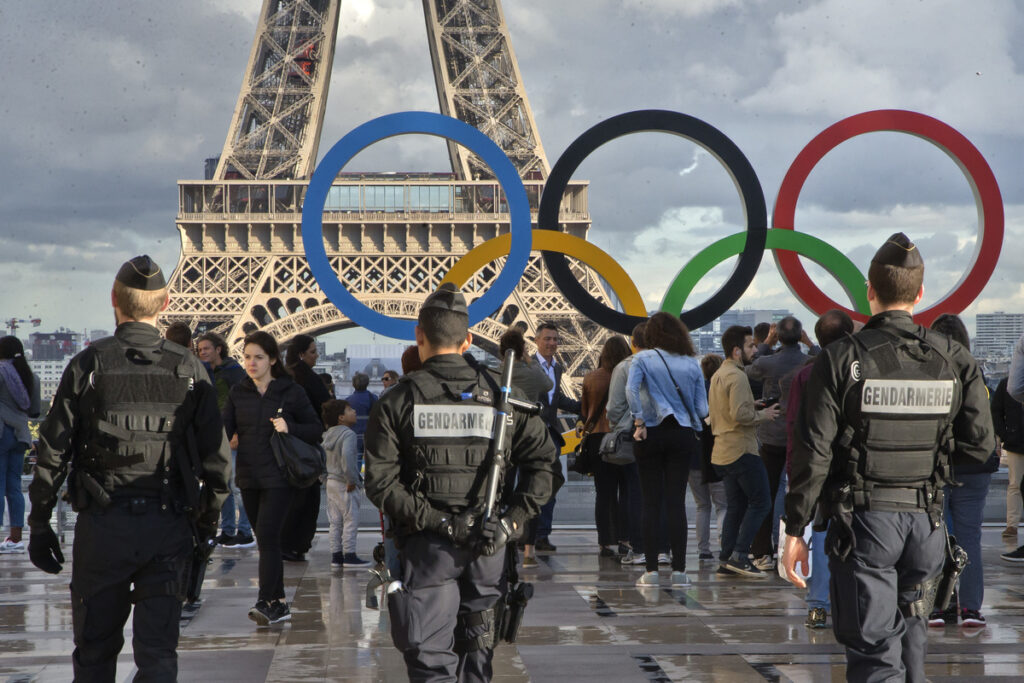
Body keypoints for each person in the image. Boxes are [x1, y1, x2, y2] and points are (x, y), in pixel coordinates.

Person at [782, 234, 995, 683]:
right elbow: (979, 444)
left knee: (875, 651)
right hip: (927, 522)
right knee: (913, 645)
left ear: (869, 290)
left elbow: (813, 450)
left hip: (865, 521)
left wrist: (797, 528)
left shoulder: (841, 358)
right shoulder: (953, 357)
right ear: (919, 294)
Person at [26, 255, 231, 681]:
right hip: (168, 525)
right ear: (166, 302)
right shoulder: (189, 368)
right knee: (158, 655)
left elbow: (53, 451)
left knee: (95, 652)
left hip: (103, 527)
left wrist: (41, 521)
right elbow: (217, 462)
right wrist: (205, 525)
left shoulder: (89, 364)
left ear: (113, 299)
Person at [364, 283, 559, 682]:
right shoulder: (504, 396)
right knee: (478, 663)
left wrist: (440, 523)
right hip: (489, 547)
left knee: (431, 663)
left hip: (428, 550)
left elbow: (381, 484)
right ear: (468, 339)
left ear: (419, 336)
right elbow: (546, 467)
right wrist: (510, 522)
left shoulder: (397, 400)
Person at [222, 330, 323, 626]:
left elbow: (316, 428)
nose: (251, 363)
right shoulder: (239, 392)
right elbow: (221, 430)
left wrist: (289, 426)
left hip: (280, 477)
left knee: (267, 535)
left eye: (258, 358)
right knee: (266, 540)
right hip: (249, 477)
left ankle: (265, 600)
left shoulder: (290, 391)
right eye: (247, 357)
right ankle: (279, 602)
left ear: (273, 359)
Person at [923, 313, 996, 629]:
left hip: (937, 464)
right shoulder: (976, 373)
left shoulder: (927, 372)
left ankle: (938, 607)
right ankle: (970, 608)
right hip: (974, 466)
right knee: (970, 536)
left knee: (936, 535)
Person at [784, 309, 853, 629]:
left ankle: (818, 605)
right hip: (856, 469)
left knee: (821, 535)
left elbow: (795, 427)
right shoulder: (861, 369)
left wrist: (794, 471)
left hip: (819, 469)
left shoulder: (805, 375)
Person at [626, 312, 705, 586]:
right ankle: (680, 571)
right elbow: (703, 408)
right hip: (682, 433)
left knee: (650, 502)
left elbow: (631, 391)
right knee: (676, 503)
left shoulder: (642, 359)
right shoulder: (692, 363)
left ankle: (650, 571)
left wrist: (638, 419)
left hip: (650, 431)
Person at [744, 316, 815, 570]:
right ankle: (795, 548)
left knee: (766, 493)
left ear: (778, 337)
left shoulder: (769, 362)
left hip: (771, 436)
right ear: (800, 335)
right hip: (799, 437)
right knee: (797, 495)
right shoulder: (809, 360)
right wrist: (810, 343)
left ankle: (762, 552)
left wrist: (765, 343)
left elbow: (750, 366)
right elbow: (826, 357)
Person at [708, 325, 779, 577]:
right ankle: (739, 555)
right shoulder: (737, 377)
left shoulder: (720, 374)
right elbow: (740, 415)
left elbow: (725, 409)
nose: (755, 349)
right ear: (737, 350)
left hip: (722, 450)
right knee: (761, 502)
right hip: (741, 449)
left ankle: (726, 558)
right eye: (751, 345)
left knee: (736, 506)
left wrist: (753, 404)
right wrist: (764, 413)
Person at [498, 328, 553, 568]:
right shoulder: (531, 370)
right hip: (530, 434)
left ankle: (504, 538)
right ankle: (529, 549)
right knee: (530, 487)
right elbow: (549, 383)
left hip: (507, 434)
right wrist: (531, 361)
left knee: (505, 487)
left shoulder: (499, 372)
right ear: (523, 347)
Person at [196, 331, 254, 548]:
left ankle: (245, 531)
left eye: (206, 348)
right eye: (200, 349)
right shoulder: (205, 373)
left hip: (232, 436)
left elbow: (243, 403)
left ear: (218, 349)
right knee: (224, 485)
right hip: (216, 435)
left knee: (237, 485)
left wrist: (237, 432)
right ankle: (228, 530)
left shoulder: (233, 372)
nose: (202, 352)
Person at [528, 321, 581, 554]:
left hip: (550, 435)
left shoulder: (557, 369)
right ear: (536, 341)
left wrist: (586, 408)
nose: (552, 343)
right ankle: (526, 535)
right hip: (530, 436)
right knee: (528, 485)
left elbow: (556, 399)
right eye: (547, 338)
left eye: (555, 339)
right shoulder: (527, 366)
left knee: (550, 485)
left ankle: (542, 534)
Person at [578, 335, 632, 559]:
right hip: (623, 438)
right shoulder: (630, 376)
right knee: (627, 491)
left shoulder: (591, 378)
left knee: (604, 494)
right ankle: (625, 538)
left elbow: (584, 410)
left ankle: (605, 542)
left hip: (597, 440)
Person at [281, 334, 332, 562]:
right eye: (313, 351)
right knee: (307, 497)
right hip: (307, 442)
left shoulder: (285, 377)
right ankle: (297, 543)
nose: (317, 355)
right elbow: (325, 404)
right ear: (301, 355)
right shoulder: (308, 379)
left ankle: (290, 543)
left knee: (294, 496)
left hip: (288, 443)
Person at [606, 322, 653, 566]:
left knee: (635, 493)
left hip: (634, 435)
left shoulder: (624, 367)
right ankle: (662, 548)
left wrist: (621, 424)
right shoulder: (664, 364)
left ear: (633, 343)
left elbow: (613, 408)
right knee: (659, 493)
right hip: (661, 433)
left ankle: (638, 547)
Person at [0, 336, 40, 553]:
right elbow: (34, 411)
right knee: (14, 486)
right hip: (21, 436)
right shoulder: (31, 377)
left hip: (1, 432)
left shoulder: (1, 372)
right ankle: (16, 539)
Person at [322, 399, 369, 569]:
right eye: (350, 409)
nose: (354, 411)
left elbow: (320, 460)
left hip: (331, 482)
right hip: (344, 482)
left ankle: (336, 556)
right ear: (341, 417)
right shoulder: (348, 434)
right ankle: (349, 554)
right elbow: (348, 459)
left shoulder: (326, 435)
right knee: (351, 519)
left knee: (335, 522)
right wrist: (352, 480)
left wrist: (324, 479)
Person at [692, 353, 727, 563]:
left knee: (702, 505)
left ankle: (703, 550)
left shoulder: (697, 391)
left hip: (694, 457)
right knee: (722, 506)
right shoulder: (722, 389)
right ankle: (724, 544)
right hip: (718, 455)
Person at [992, 375, 1024, 539]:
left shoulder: (1007, 383)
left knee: (1014, 485)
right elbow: (996, 411)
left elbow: (996, 410)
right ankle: (1011, 525)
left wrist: (1005, 434)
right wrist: (1005, 434)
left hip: (1014, 440)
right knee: (1014, 485)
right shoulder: (1006, 383)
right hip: (1015, 441)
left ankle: (1012, 525)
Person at [346, 371, 378, 458]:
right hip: (369, 434)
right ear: (367, 383)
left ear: (353, 384)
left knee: (356, 459)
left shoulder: (348, 400)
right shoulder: (373, 398)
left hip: (353, 434)